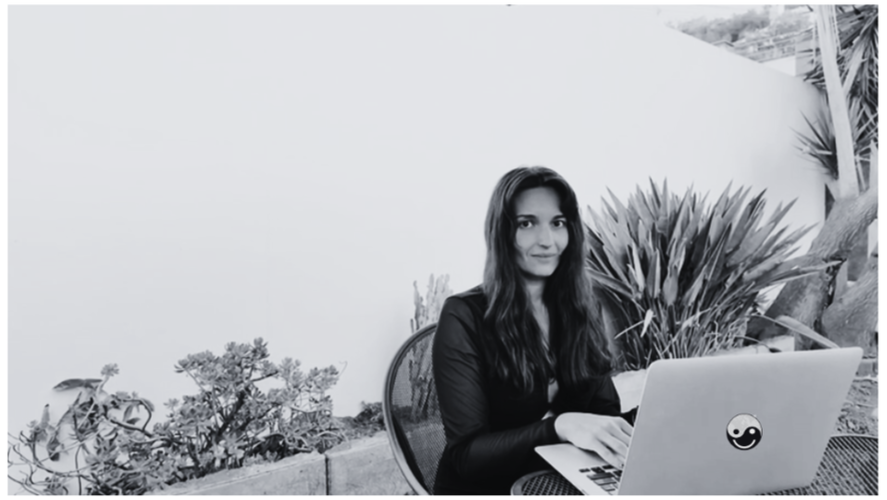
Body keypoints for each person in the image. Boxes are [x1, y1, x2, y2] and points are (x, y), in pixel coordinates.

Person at [432, 166, 635, 495]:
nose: (547, 241)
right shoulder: (463, 315)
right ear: (502, 232)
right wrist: (559, 426)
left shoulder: (582, 306)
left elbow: (603, 410)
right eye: (527, 223)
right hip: (489, 489)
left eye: (558, 223)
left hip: (565, 481)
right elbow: (467, 456)